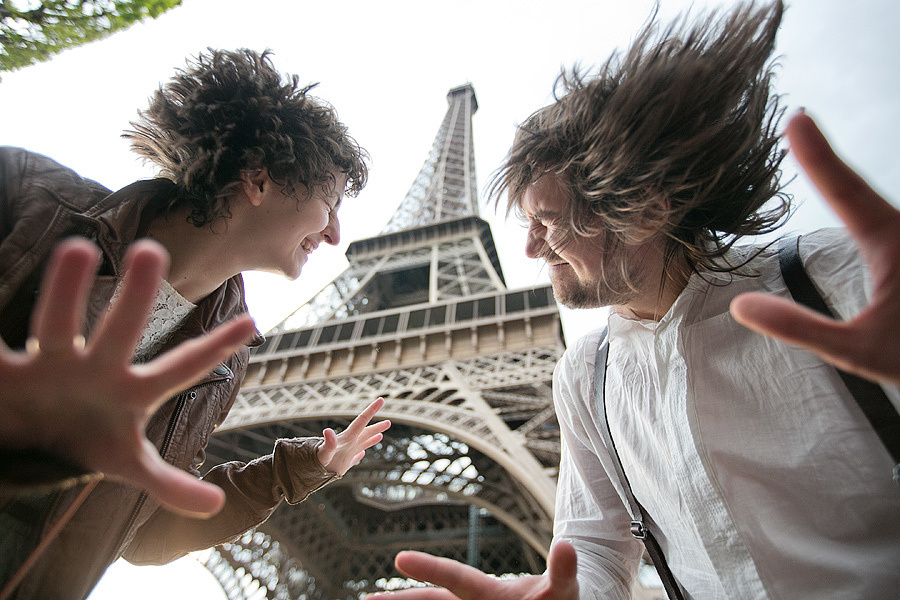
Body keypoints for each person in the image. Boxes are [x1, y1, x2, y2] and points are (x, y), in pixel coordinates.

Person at [366, 2, 900, 599]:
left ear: (645, 208)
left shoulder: (832, 280)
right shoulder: (585, 377)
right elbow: (592, 548)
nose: (530, 249)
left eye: (546, 220)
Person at [0, 48, 390, 600]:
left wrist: (296, 471)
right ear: (258, 179)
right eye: (330, 203)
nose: (334, 235)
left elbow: (145, 534)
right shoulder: (23, 198)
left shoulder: (225, 361)